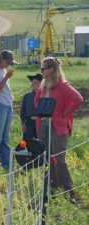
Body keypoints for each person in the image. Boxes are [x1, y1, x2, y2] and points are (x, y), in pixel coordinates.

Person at [35, 57, 83, 203]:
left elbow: (78, 99)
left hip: (58, 126)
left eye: (43, 68)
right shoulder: (43, 85)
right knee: (47, 157)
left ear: (52, 69)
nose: (41, 71)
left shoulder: (62, 85)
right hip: (43, 125)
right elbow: (37, 99)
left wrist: (64, 113)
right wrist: (40, 109)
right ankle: (53, 186)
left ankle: (69, 191)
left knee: (60, 159)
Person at [20, 73, 42, 140]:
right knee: (27, 143)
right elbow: (23, 111)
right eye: (32, 82)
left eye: (35, 83)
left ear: (41, 84)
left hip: (41, 122)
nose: (32, 84)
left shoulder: (44, 96)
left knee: (41, 143)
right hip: (29, 123)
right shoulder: (27, 96)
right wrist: (23, 123)